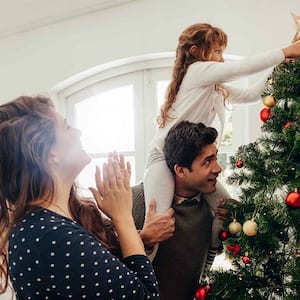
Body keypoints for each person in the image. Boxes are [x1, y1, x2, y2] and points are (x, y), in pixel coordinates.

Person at [143, 22, 300, 258]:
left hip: (194, 162)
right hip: (162, 158)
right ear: (196, 52)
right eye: (217, 52)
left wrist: (283, 63)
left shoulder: (214, 88)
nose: (221, 59)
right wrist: (285, 51)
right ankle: (141, 276)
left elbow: (250, 94)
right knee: (158, 223)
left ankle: (207, 264)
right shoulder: (197, 72)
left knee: (229, 211)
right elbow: (243, 68)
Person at [0, 96, 160, 299]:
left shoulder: (53, 224)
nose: (78, 132)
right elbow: (147, 297)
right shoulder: (49, 236)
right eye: (66, 127)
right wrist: (123, 217)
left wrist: (140, 235)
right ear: (50, 155)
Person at [152, 120, 227, 300]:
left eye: (215, 157)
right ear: (181, 171)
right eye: (208, 161)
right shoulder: (141, 201)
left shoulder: (212, 209)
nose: (218, 168)